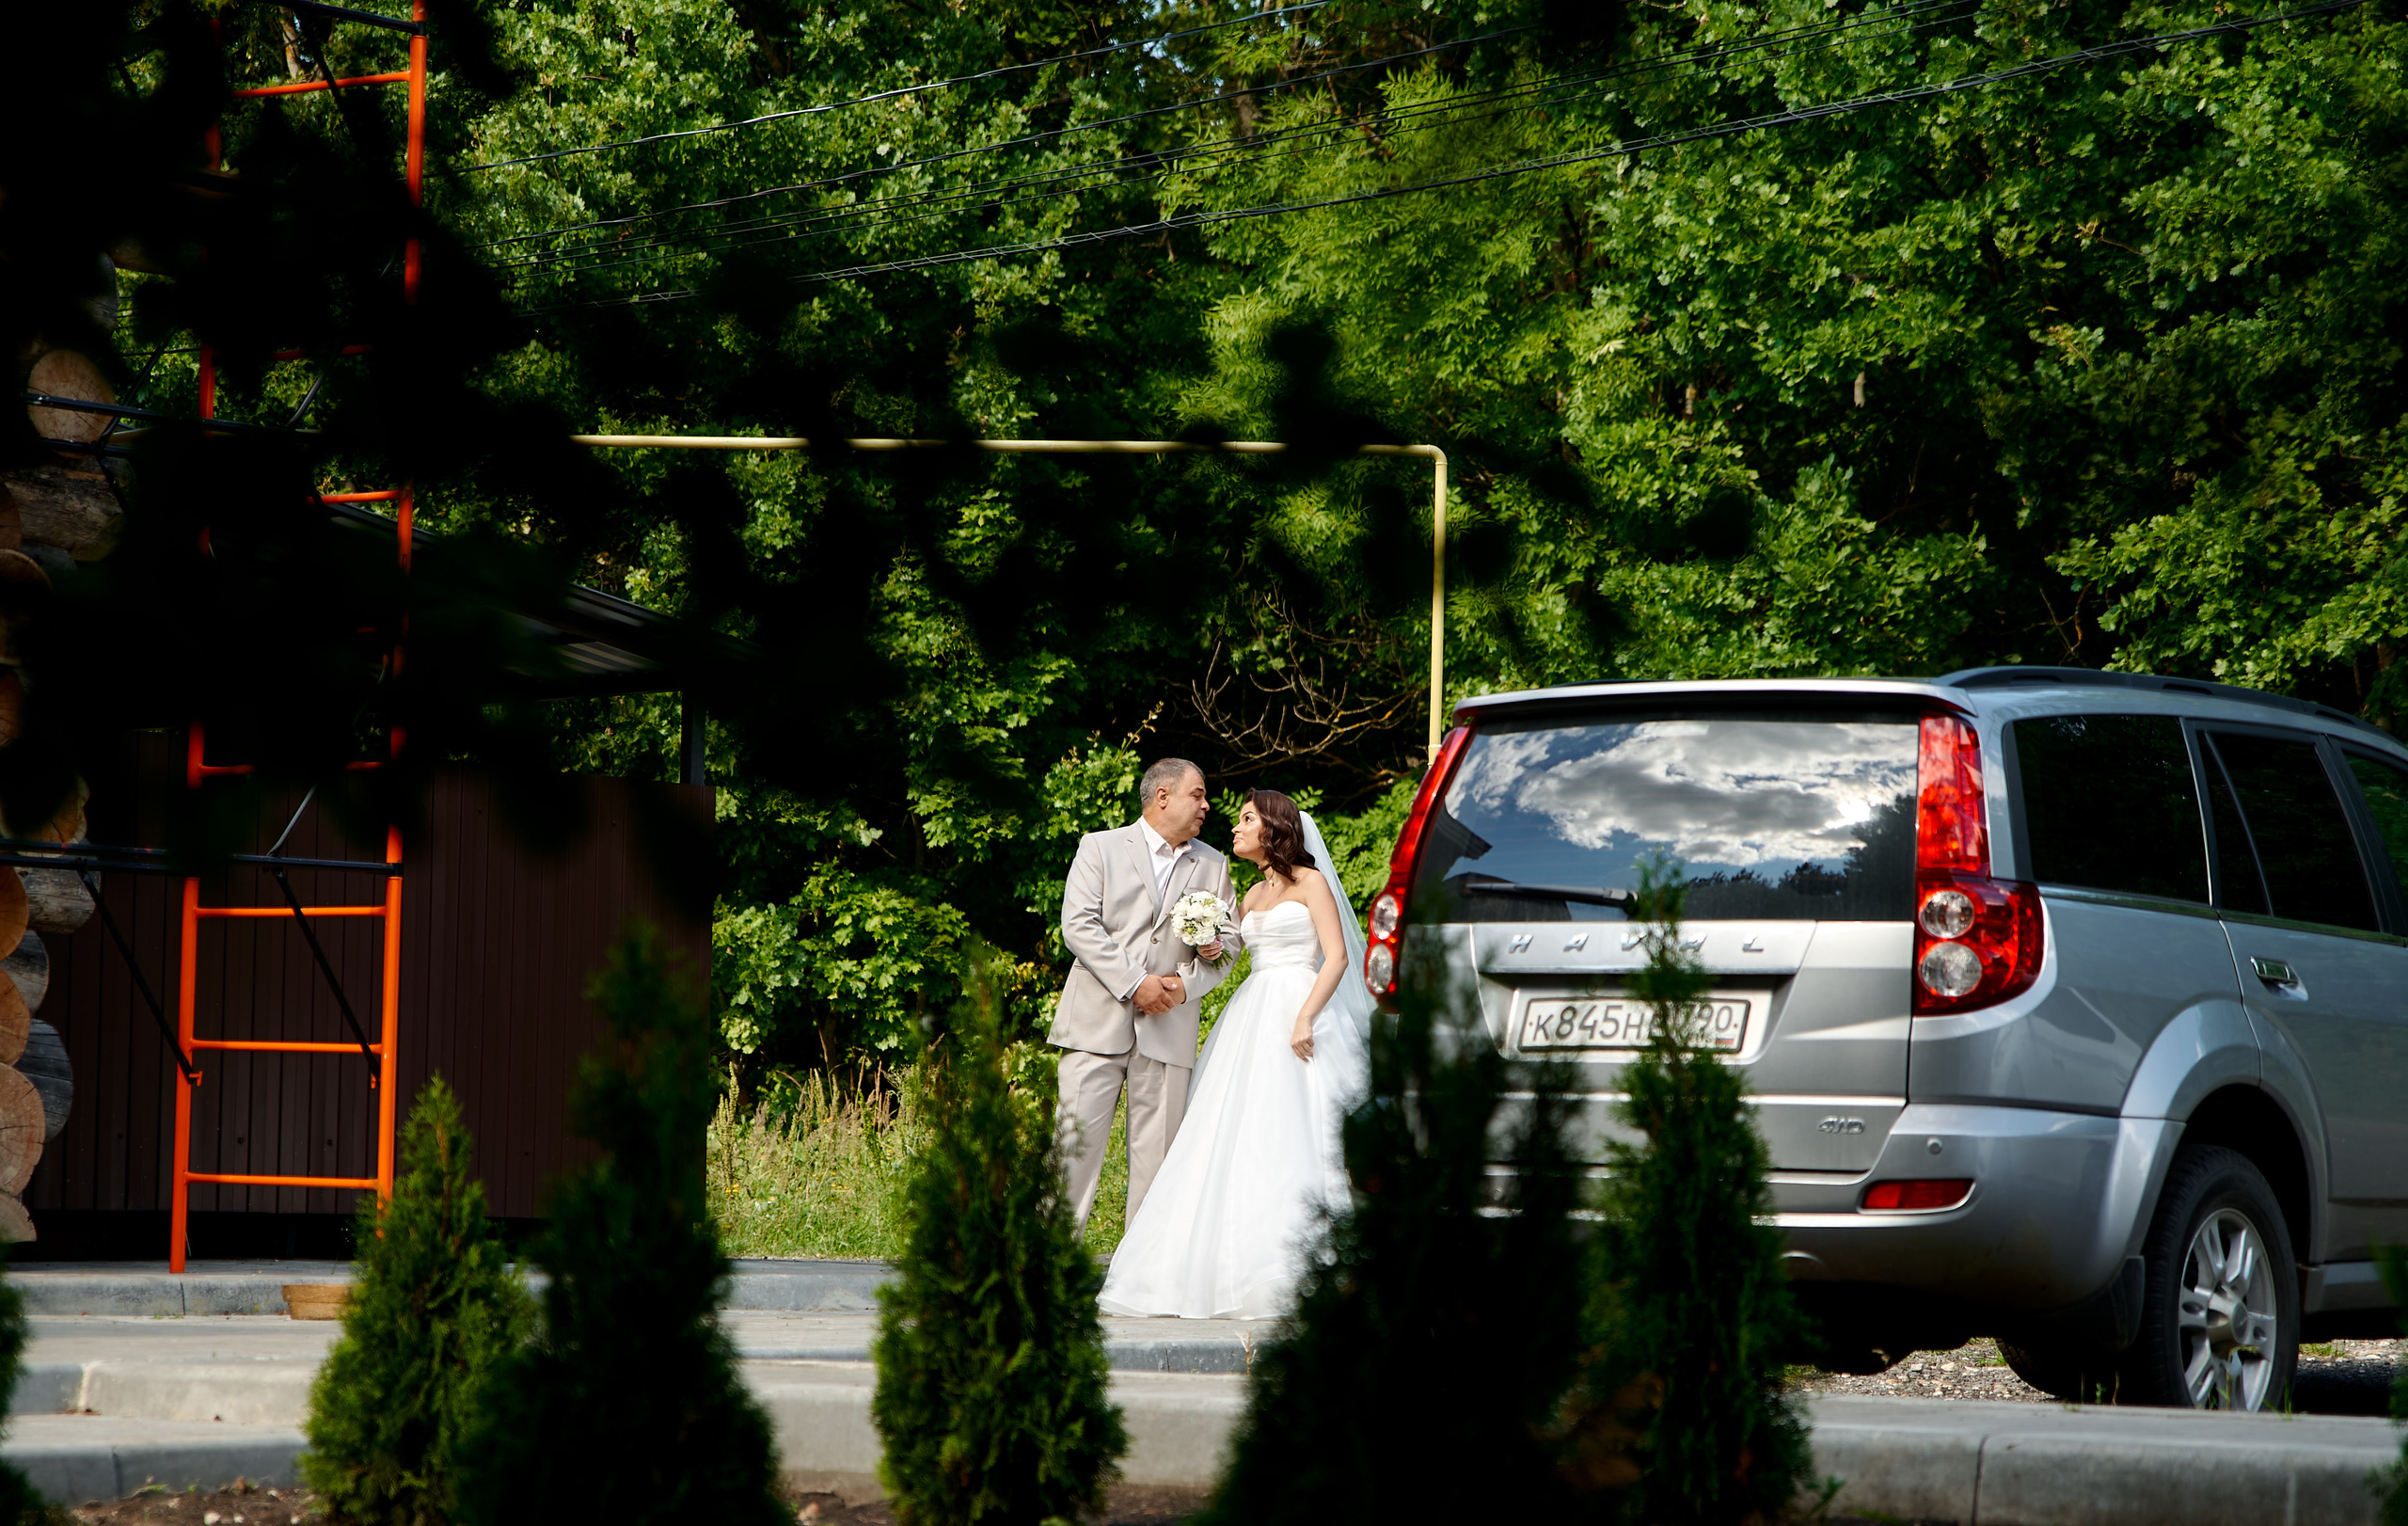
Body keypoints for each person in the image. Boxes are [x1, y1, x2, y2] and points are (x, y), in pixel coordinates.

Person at [1098, 788, 1372, 1319]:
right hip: (1251, 1015)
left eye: (1247, 819)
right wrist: (1205, 943)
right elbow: (1226, 955)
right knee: (1236, 1133)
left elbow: (1336, 958)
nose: (1236, 826)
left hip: (1300, 1007)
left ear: (1273, 829)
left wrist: (1306, 1016)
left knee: (1305, 1130)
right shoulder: (1246, 897)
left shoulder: (1312, 883)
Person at [1049, 758, 1244, 1235]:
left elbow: (1231, 943)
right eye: (1197, 794)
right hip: (1096, 1024)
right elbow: (1078, 925)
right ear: (1163, 796)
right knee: (1072, 1150)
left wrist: (1184, 986)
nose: (1206, 804)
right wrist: (1136, 983)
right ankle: (1050, 1269)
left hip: (1168, 1029)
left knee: (1157, 1161)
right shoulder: (1100, 847)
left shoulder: (1214, 864)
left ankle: (1139, 1278)